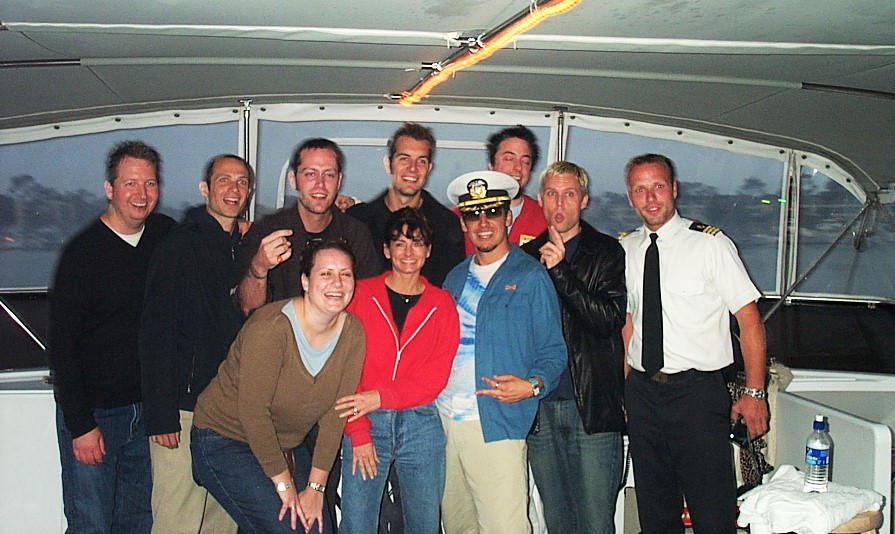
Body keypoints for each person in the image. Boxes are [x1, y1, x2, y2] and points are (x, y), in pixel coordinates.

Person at [620, 154, 769, 534]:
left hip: (697, 395)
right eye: (640, 189)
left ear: (674, 189)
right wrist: (625, 387)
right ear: (630, 197)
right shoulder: (625, 249)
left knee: (712, 513)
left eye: (658, 186)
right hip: (642, 393)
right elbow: (629, 322)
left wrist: (755, 393)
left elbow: (749, 320)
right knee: (655, 513)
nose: (650, 198)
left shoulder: (710, 244)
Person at [190, 240, 366, 534]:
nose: (337, 283)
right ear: (305, 281)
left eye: (345, 274)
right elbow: (253, 414)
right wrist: (285, 485)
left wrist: (316, 488)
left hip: (284, 444)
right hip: (224, 438)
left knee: (319, 528)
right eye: (325, 274)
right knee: (291, 528)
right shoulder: (270, 329)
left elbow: (337, 414)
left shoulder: (352, 333)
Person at [48, 140, 176, 533]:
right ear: (110, 189)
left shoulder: (164, 235)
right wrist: (80, 425)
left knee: (138, 522)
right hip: (96, 416)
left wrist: (243, 230)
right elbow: (62, 347)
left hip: (145, 411)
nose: (141, 194)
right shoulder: (82, 254)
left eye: (150, 184)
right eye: (130, 183)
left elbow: (207, 237)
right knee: (92, 523)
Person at [438, 170, 567, 534]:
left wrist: (532, 385)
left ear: (508, 217)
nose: (483, 223)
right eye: (473, 215)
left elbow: (554, 351)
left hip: (495, 424)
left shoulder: (530, 276)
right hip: (445, 422)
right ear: (463, 223)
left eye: (493, 212)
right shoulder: (454, 278)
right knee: (458, 527)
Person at [139, 154, 254, 533]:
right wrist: (161, 414)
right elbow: (155, 331)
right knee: (178, 519)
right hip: (183, 411)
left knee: (223, 519)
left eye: (241, 182)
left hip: (228, 412)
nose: (233, 189)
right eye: (224, 180)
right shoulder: (180, 246)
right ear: (205, 188)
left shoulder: (241, 247)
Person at [336, 207, 460, 533]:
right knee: (357, 525)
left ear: (428, 251)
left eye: (417, 244)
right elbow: (344, 368)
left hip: (421, 425)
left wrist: (381, 396)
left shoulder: (442, 304)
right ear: (386, 249)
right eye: (400, 243)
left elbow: (435, 377)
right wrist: (358, 431)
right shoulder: (361, 295)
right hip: (367, 422)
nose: (408, 252)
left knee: (424, 525)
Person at [521, 161, 627, 533]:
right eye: (551, 194)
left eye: (569, 194)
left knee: (596, 522)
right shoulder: (524, 257)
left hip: (592, 406)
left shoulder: (607, 251)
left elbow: (607, 320)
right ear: (540, 199)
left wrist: (561, 271)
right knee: (558, 521)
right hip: (540, 407)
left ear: (584, 200)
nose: (559, 203)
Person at [237, 137, 379, 315]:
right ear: (293, 179)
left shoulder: (356, 235)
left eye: (329, 175)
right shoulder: (266, 232)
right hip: (279, 332)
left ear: (339, 181)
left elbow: (369, 304)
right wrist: (258, 267)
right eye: (310, 174)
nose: (320, 184)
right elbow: (248, 308)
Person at [347, 122, 465, 286]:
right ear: (388, 164)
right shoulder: (357, 222)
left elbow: (450, 288)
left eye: (421, 161)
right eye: (404, 159)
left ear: (429, 168)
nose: (413, 169)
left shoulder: (446, 226)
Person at [456, 125, 547, 254]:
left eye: (525, 161)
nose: (518, 167)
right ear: (491, 165)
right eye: (509, 159)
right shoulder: (461, 216)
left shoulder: (544, 218)